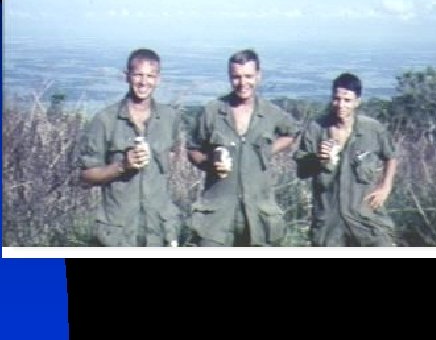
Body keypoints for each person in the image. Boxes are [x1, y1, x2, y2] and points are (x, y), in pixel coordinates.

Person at [187, 49, 298, 246]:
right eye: (236, 77)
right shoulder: (212, 112)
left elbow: (292, 133)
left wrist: (269, 150)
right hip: (217, 218)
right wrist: (209, 162)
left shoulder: (271, 113)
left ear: (258, 76)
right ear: (230, 77)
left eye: (248, 76)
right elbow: (192, 149)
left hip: (259, 215)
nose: (242, 83)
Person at [76, 48, 181, 246]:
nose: (144, 82)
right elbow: (85, 176)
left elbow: (171, 160)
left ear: (158, 79)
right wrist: (122, 166)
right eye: (138, 75)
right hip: (118, 232)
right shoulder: (105, 120)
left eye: (150, 76)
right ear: (127, 76)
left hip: (160, 229)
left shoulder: (170, 118)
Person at [295, 72, 398, 246]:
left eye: (347, 100)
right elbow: (301, 171)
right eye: (336, 99)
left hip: (366, 218)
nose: (341, 105)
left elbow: (391, 156)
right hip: (329, 223)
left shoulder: (372, 129)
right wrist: (318, 159)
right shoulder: (316, 129)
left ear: (357, 101)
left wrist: (385, 187)